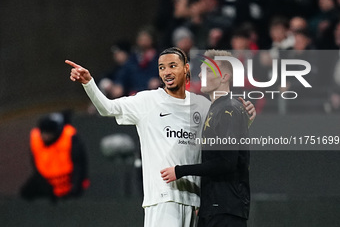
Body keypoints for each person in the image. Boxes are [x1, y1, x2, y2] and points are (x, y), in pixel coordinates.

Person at [65, 47, 256, 227]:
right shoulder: (147, 101)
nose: (167, 72)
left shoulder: (203, 105)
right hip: (162, 198)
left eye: (173, 66)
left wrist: (244, 118)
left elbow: (223, 135)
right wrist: (89, 83)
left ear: (186, 69)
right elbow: (107, 108)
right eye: (162, 68)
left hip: (195, 201)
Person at [161, 50, 251, 227]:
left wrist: (180, 171)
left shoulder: (229, 109)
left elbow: (227, 162)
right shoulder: (216, 109)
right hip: (214, 207)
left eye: (208, 71)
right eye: (201, 70)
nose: (201, 74)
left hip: (226, 210)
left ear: (224, 77)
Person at [20, 112, 89, 202]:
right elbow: (35, 163)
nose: (45, 137)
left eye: (48, 134)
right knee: (26, 193)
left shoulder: (69, 137)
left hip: (68, 181)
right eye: (43, 133)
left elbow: (79, 164)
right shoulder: (35, 139)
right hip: (48, 183)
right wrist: (47, 188)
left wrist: (75, 186)